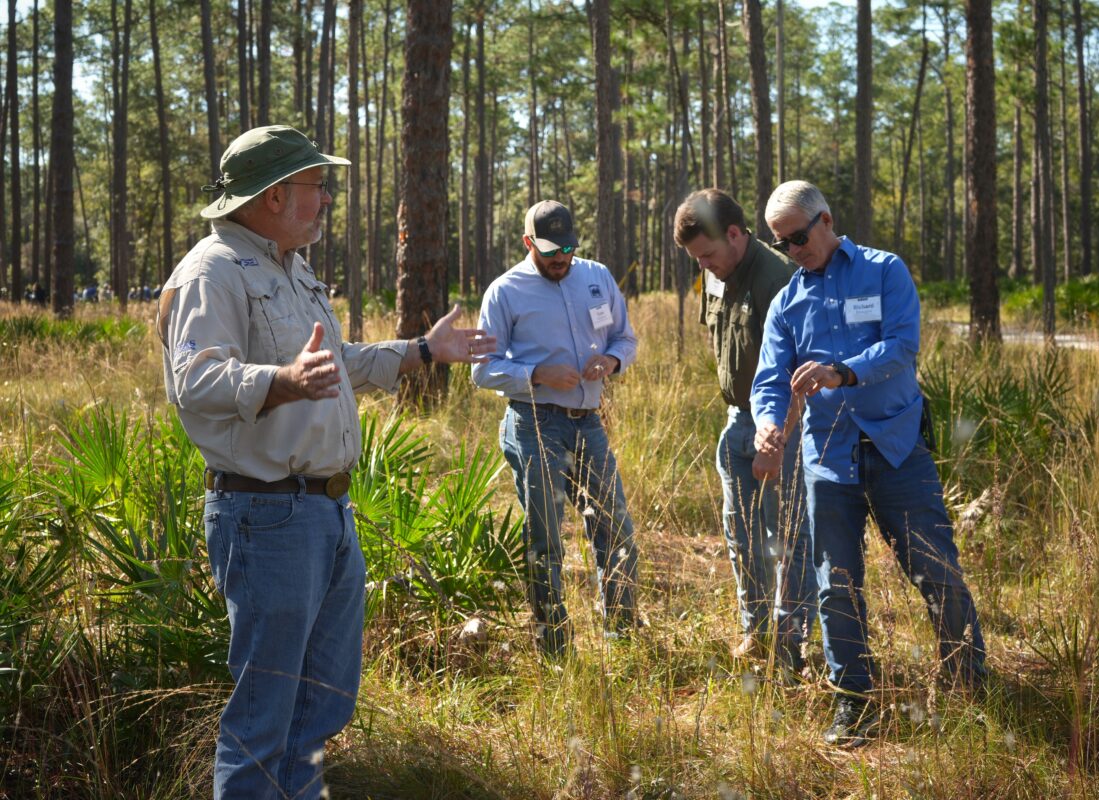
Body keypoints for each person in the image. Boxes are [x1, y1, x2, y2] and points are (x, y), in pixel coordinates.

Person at [157, 124, 494, 799]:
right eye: (315, 185)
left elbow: (334, 364)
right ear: (276, 195)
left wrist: (421, 352)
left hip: (327, 512)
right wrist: (280, 379)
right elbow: (193, 381)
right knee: (265, 717)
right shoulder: (212, 269)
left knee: (322, 704)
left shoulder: (289, 266)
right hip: (266, 515)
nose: (327, 197)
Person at [751, 180, 987, 747]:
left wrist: (841, 371)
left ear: (826, 220)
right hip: (828, 463)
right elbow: (769, 379)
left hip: (895, 449)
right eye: (781, 244)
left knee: (936, 569)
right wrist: (767, 424)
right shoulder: (787, 300)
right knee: (835, 585)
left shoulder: (884, 271)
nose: (792, 251)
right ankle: (854, 701)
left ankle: (968, 683)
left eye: (799, 238)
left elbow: (903, 345)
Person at [473, 200, 639, 657]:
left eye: (567, 247)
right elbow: (482, 369)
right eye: (550, 250)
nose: (560, 257)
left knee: (615, 529)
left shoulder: (596, 277)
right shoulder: (505, 292)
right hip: (535, 423)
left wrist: (611, 360)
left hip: (589, 424)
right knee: (545, 538)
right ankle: (554, 647)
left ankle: (622, 638)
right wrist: (536, 374)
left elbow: (625, 337)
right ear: (528, 244)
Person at [672, 189, 817, 674]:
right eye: (697, 258)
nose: (705, 265)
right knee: (742, 533)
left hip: (783, 425)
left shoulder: (780, 279)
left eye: (709, 254)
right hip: (736, 420)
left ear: (734, 234)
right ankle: (755, 632)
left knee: (787, 537)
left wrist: (776, 440)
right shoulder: (715, 275)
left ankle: (791, 645)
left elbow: (800, 376)